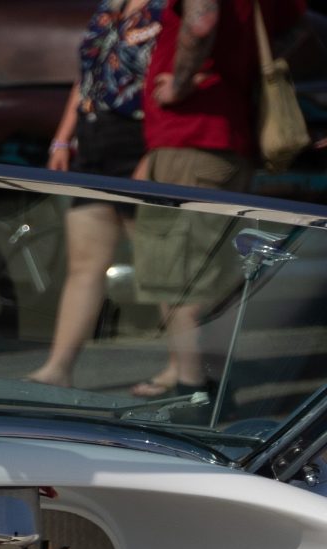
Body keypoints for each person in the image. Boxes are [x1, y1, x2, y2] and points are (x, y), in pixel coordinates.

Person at [128, 0, 304, 397]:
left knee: (180, 279)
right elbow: (299, 27)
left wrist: (181, 82)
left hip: (194, 138)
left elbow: (202, 21)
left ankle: (195, 392)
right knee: (205, 272)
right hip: (222, 143)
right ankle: (189, 375)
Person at [29, 0, 161, 388]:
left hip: (138, 137)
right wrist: (61, 138)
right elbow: (87, 76)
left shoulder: (171, 9)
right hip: (93, 137)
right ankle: (58, 368)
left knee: (160, 267)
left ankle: (189, 372)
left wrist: (154, 155)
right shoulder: (111, 7)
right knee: (85, 263)